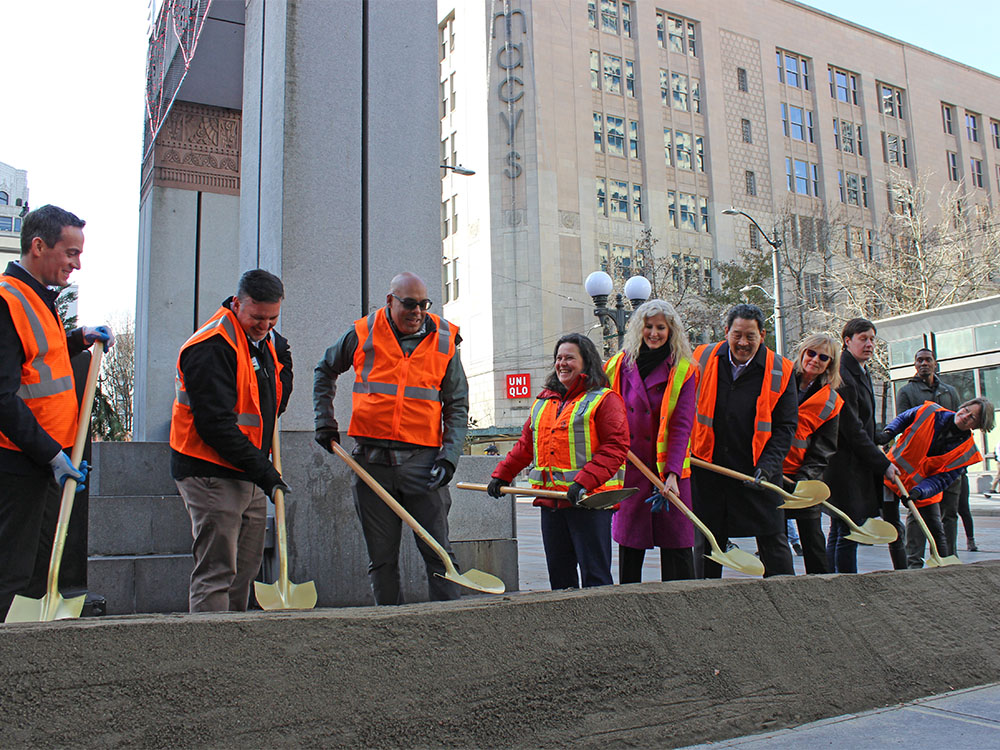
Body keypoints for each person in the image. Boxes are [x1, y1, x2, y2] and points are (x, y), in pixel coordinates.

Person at [314, 272, 468, 605]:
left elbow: (457, 405)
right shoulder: (364, 333)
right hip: (372, 466)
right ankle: (390, 629)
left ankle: (451, 627)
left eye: (423, 305)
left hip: (423, 465)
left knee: (439, 554)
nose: (417, 312)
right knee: (381, 561)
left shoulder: (444, 339)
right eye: (409, 304)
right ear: (390, 301)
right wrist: (324, 421)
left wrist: (449, 457)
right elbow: (324, 370)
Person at [0, 205, 114, 620]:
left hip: (39, 459)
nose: (76, 264)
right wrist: (51, 454)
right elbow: (2, 397)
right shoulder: (7, 300)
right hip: (18, 461)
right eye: (70, 253)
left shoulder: (36, 298)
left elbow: (39, 360)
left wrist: (78, 339)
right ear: (37, 245)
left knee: (29, 569)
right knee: (10, 572)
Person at [170, 269, 293, 612]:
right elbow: (216, 427)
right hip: (210, 469)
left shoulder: (263, 342)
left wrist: (283, 360)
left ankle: (236, 644)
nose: (265, 325)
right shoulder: (211, 346)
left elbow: (272, 403)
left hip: (246, 468)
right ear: (237, 303)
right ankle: (210, 651)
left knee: (245, 571)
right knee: (218, 570)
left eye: (273, 318)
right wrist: (266, 473)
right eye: (257, 317)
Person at [486, 333, 629, 589]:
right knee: (560, 579)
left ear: (586, 362)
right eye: (559, 358)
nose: (562, 363)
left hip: (588, 503)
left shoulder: (605, 400)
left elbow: (615, 449)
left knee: (595, 577)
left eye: (570, 358)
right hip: (552, 504)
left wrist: (583, 482)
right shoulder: (543, 402)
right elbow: (525, 446)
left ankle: (602, 626)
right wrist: (502, 475)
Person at [690, 304, 797, 578]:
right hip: (709, 471)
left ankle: (788, 602)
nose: (743, 343)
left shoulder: (781, 370)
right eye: (737, 334)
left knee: (774, 544)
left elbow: (785, 427)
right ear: (726, 332)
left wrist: (768, 466)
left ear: (762, 334)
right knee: (706, 546)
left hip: (757, 474)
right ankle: (702, 602)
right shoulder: (701, 357)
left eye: (750, 336)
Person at [603, 300, 697, 583]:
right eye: (648, 326)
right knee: (630, 547)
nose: (654, 333)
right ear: (638, 328)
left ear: (671, 331)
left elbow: (682, 425)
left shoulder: (684, 369)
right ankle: (629, 608)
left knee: (677, 547)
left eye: (661, 327)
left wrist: (672, 474)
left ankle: (682, 607)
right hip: (630, 469)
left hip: (669, 471)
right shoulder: (617, 365)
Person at [876, 398, 992, 568]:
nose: (966, 416)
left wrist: (919, 492)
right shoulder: (931, 411)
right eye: (967, 410)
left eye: (973, 417)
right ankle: (905, 569)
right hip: (892, 475)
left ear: (978, 425)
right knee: (895, 530)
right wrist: (888, 433)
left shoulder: (966, 451)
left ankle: (943, 568)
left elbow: (942, 479)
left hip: (923, 489)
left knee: (936, 531)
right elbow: (904, 418)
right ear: (962, 406)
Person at [782, 333, 843, 575]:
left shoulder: (830, 400)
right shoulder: (780, 381)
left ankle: (820, 586)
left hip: (803, 479)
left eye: (823, 357)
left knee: (812, 538)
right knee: (774, 539)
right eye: (811, 353)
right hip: (771, 471)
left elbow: (824, 447)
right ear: (802, 353)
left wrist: (805, 478)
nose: (815, 359)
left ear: (830, 363)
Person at [895, 349, 963, 556]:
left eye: (928, 360)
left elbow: (960, 424)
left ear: (935, 363)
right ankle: (914, 560)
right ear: (915, 365)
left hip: (949, 461)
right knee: (918, 513)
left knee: (950, 512)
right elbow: (904, 426)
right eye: (919, 360)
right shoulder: (906, 392)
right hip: (921, 463)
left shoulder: (949, 391)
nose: (924, 363)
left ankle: (949, 556)